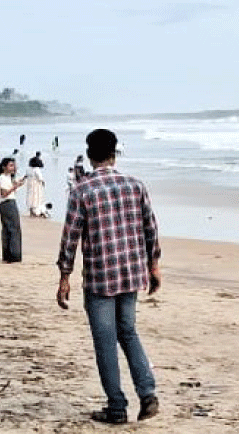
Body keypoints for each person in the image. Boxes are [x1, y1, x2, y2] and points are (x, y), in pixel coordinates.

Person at [56, 128, 161, 425]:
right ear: (114, 154)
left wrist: (64, 276)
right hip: (131, 273)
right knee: (128, 332)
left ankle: (117, 406)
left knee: (105, 341)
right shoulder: (135, 186)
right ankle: (147, 393)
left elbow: (70, 237)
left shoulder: (82, 190)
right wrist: (154, 265)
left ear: (90, 156)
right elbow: (150, 228)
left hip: (100, 276)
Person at [0, 157, 25, 263]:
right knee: (13, 229)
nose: (13, 168)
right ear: (4, 167)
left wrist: (17, 184)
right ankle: (14, 255)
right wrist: (15, 187)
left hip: (6, 204)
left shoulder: (7, 178)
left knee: (8, 229)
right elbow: (4, 194)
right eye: (11, 165)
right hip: (7, 204)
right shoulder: (2, 178)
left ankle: (8, 255)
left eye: (14, 165)